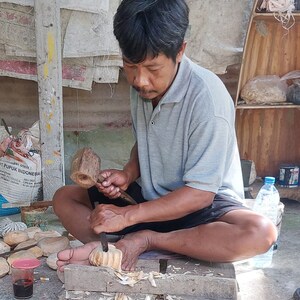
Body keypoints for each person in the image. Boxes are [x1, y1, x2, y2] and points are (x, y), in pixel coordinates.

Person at [53, 0, 277, 272]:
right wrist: (128, 174)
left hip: (200, 211)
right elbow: (147, 140)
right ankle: (124, 247)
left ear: (180, 50)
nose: (140, 80)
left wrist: (128, 216)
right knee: (65, 198)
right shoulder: (142, 88)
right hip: (149, 202)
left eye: (152, 68)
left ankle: (148, 241)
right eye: (130, 65)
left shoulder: (208, 99)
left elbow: (200, 195)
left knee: (260, 232)